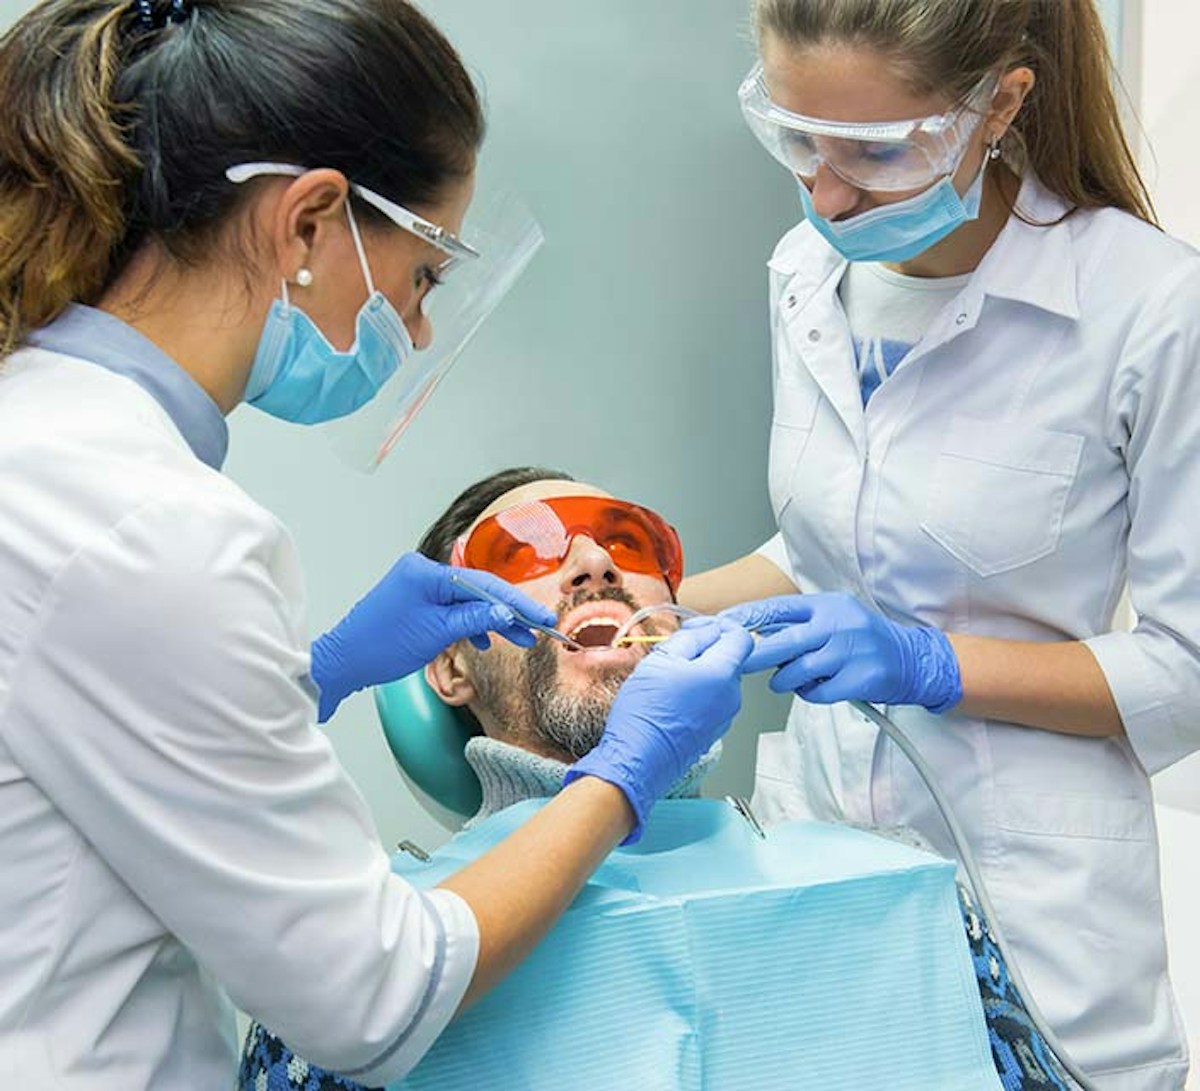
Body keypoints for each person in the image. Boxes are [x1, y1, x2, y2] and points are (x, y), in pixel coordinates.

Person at [0, 3, 752, 1088]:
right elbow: (373, 995)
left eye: (622, 538)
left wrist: (314, 677)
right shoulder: (148, 520)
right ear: (307, 223)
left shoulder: (53, 444)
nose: (421, 325)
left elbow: (104, 733)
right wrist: (627, 773)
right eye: (426, 275)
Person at [681, 1, 1200, 1088]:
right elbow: (832, 544)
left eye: (873, 153)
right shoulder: (803, 272)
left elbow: (1187, 668)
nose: (824, 192)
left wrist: (932, 664)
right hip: (821, 866)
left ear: (999, 104)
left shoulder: (1150, 309)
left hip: (1037, 910)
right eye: (798, 139)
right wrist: (657, 601)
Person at [241, 465, 1072, 1091]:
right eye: (524, 543)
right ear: (450, 665)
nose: (594, 560)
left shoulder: (897, 882)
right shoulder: (359, 936)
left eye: (629, 542)